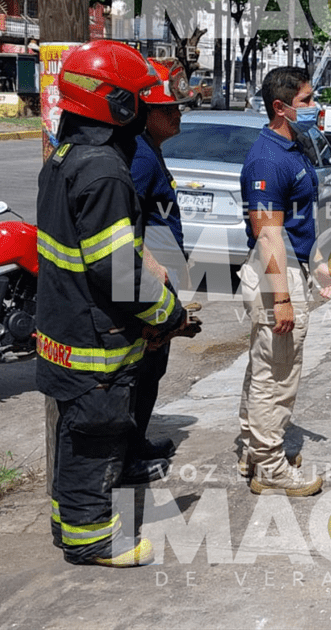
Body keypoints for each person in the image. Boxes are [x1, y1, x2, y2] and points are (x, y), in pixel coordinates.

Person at [37, 40, 193, 567]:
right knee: (99, 433)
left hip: (65, 325)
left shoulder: (66, 157)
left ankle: (69, 521)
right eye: (139, 101)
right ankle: (92, 540)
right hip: (94, 336)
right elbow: (116, 269)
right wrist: (167, 314)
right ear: (118, 105)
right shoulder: (104, 168)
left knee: (77, 434)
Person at [238, 66, 331, 496]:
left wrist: (317, 266)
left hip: (289, 267)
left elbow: (298, 224)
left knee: (267, 368)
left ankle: (254, 450)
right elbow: (269, 233)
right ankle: (269, 467)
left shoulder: (293, 146)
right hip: (272, 274)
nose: (316, 107)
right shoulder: (267, 159)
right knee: (276, 375)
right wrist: (282, 298)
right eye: (307, 100)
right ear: (280, 107)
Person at [126, 57, 194, 479]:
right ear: (146, 114)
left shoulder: (149, 152)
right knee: (142, 370)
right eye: (170, 109)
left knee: (153, 369)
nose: (178, 114)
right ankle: (128, 456)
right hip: (147, 285)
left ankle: (137, 443)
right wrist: (149, 264)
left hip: (160, 282)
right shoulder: (139, 157)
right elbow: (123, 219)